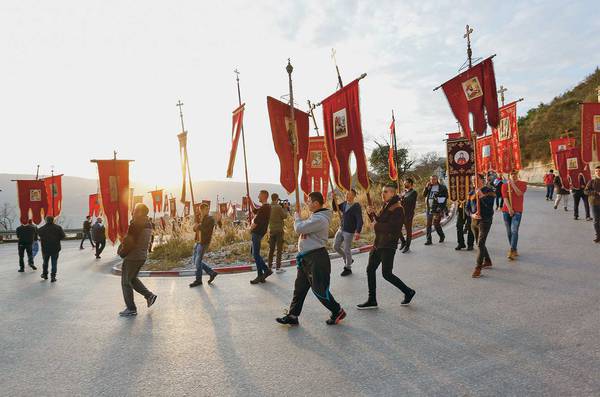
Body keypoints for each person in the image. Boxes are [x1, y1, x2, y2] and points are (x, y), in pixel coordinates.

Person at [276, 192, 346, 326]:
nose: (307, 203)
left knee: (319, 289)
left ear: (315, 203)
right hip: (306, 258)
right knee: (300, 288)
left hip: (316, 258)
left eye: (309, 201)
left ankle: (337, 310)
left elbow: (299, 228)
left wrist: (297, 218)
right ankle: (293, 315)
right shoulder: (314, 216)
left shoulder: (321, 219)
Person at [357, 184, 415, 309]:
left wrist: (376, 225)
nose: (383, 194)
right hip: (378, 244)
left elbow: (394, 228)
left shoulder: (398, 208)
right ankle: (372, 299)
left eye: (386, 192)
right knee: (370, 269)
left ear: (393, 193)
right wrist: (371, 214)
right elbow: (378, 221)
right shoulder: (386, 205)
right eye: (382, 192)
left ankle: (408, 292)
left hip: (388, 245)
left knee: (387, 274)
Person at [118, 203, 157, 317]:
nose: (133, 211)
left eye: (135, 210)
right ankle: (149, 296)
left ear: (139, 212)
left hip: (132, 256)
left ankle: (131, 308)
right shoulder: (148, 224)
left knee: (125, 282)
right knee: (132, 279)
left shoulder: (136, 224)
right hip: (142, 256)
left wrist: (122, 252)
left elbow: (130, 242)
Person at [332, 188, 363, 276]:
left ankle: (348, 268)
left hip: (349, 232)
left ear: (353, 196)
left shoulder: (356, 206)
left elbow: (359, 219)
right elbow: (335, 208)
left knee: (346, 249)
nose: (346, 195)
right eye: (346, 194)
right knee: (335, 246)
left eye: (349, 194)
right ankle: (347, 258)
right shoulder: (344, 204)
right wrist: (334, 200)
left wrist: (358, 231)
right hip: (341, 229)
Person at [471, 174, 496, 278]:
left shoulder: (489, 191)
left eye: (476, 179)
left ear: (482, 180)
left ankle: (478, 267)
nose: (474, 182)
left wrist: (481, 195)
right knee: (478, 242)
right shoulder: (471, 192)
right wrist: (472, 214)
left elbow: (489, 206)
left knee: (480, 243)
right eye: (472, 180)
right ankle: (488, 261)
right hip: (474, 221)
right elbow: (467, 208)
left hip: (485, 220)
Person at [189, 203, 218, 287]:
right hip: (197, 241)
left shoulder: (210, 219)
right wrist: (195, 227)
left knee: (198, 261)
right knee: (195, 261)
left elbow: (206, 230)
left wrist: (199, 226)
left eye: (208, 209)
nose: (207, 210)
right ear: (201, 210)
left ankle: (198, 280)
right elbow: (195, 228)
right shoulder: (199, 218)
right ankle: (211, 272)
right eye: (205, 209)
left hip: (204, 242)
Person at [501, 170, 528, 260]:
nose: (513, 175)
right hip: (506, 211)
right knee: (509, 232)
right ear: (509, 175)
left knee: (514, 230)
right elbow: (505, 198)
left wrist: (512, 184)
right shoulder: (504, 185)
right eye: (511, 174)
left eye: (515, 173)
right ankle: (514, 249)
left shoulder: (523, 184)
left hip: (517, 211)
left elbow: (519, 193)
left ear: (518, 174)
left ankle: (512, 250)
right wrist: (509, 209)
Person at [250, 190, 272, 284]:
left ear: (264, 196)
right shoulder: (265, 207)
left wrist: (250, 228)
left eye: (259, 195)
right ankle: (263, 274)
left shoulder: (265, 208)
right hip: (259, 233)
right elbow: (255, 211)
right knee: (254, 253)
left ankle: (263, 272)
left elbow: (256, 221)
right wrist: (249, 200)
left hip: (257, 232)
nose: (258, 197)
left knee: (255, 254)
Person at [37, 216, 66, 282]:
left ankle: (45, 274)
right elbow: (63, 236)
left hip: (45, 248)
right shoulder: (58, 228)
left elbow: (39, 234)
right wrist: (57, 239)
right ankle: (53, 277)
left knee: (45, 262)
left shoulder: (42, 228)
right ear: (53, 220)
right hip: (55, 248)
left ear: (46, 220)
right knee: (54, 263)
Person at [422, 175, 448, 245]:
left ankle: (442, 235)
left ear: (437, 180)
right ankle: (429, 240)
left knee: (436, 224)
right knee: (428, 224)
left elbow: (445, 198)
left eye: (434, 179)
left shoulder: (442, 187)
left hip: (437, 208)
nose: (432, 181)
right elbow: (424, 195)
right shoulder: (429, 187)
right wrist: (426, 188)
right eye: (431, 179)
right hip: (429, 207)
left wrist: (441, 207)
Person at [267, 193, 288, 274]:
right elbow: (284, 216)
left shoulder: (269, 207)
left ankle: (269, 267)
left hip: (271, 230)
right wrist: (285, 208)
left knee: (271, 249)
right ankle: (278, 268)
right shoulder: (278, 207)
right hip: (279, 230)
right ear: (277, 198)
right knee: (279, 249)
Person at [399, 178, 417, 253]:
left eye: (406, 182)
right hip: (401, 214)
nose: (404, 184)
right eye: (404, 182)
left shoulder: (413, 192)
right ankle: (403, 241)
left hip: (409, 214)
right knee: (397, 228)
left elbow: (409, 201)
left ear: (410, 183)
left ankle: (407, 246)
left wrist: (402, 198)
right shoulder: (403, 192)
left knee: (408, 231)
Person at [455, 183, 475, 251]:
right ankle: (461, 243)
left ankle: (470, 244)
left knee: (470, 227)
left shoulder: (474, 185)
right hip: (461, 208)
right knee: (459, 226)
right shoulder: (459, 182)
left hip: (470, 208)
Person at [584, 165, 600, 243]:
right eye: (597, 171)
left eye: (599, 171)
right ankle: (598, 236)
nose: (598, 172)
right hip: (594, 204)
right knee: (596, 221)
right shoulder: (591, 181)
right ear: (595, 172)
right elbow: (585, 191)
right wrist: (595, 192)